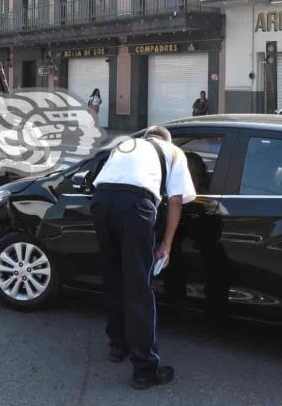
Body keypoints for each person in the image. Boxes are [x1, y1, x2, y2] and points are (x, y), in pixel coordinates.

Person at [91, 125, 196, 389]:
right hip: (134, 206)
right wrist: (167, 245)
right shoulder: (172, 152)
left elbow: (99, 178)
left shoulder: (125, 145)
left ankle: (118, 346)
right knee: (138, 288)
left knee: (114, 278)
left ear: (147, 137)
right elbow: (175, 201)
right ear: (166, 140)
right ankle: (145, 370)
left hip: (102, 202)